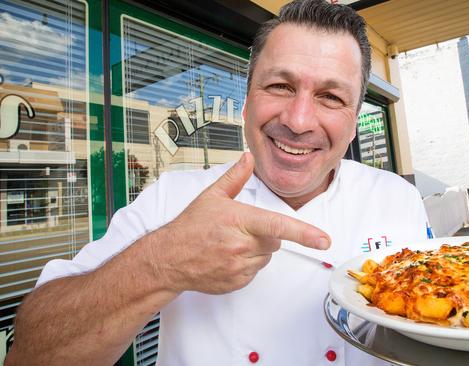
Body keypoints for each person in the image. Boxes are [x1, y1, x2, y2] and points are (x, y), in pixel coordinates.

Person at [6, 1, 429, 365]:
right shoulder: (174, 198)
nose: (299, 121)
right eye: (280, 86)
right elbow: (30, 352)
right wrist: (162, 263)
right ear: (246, 104)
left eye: (331, 97)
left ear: (354, 122)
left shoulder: (399, 199)